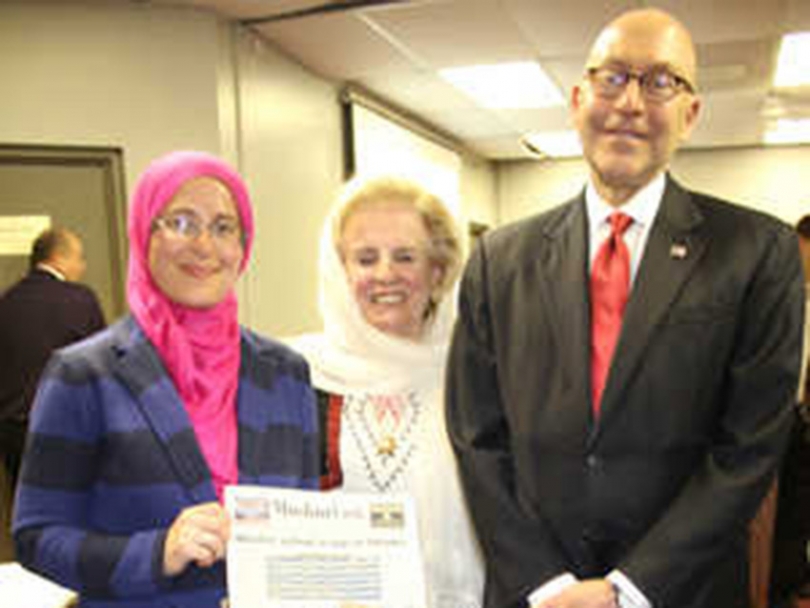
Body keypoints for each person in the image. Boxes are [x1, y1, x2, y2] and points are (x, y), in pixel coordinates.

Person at [445, 8, 804, 608]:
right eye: (612, 77)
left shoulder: (758, 252)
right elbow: (476, 437)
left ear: (690, 115)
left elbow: (750, 447)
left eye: (661, 81)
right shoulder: (498, 260)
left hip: (684, 592)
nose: (631, 102)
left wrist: (628, 590)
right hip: (535, 594)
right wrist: (548, 585)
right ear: (579, 99)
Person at [13, 151, 319, 608]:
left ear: (243, 245)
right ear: (143, 234)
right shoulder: (83, 375)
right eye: (180, 222)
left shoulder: (286, 373)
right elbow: (36, 537)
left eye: (222, 227)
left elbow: (304, 522)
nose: (203, 245)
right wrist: (158, 552)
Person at [290, 175, 484, 608]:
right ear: (340, 271)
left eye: (405, 256)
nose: (385, 274)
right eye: (365, 258)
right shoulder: (295, 374)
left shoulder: (477, 375)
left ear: (437, 271)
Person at [0, 227, 105, 489]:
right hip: (66, 428)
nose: (82, 266)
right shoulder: (80, 300)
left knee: (28, 509)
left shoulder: (6, 303)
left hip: (14, 432)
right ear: (60, 258)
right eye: (79, 258)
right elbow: (104, 364)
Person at [769, 215, 810, 607]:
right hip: (777, 421)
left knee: (797, 512)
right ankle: (781, 584)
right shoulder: (780, 294)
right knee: (781, 517)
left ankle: (791, 581)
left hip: (798, 422)